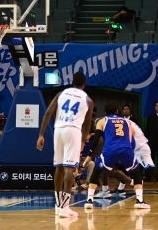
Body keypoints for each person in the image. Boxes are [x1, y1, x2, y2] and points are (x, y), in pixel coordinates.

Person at [37, 72, 94, 218]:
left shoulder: (61, 93)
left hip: (58, 130)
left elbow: (48, 113)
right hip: (73, 130)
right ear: (84, 84)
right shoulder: (88, 99)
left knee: (59, 167)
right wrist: (82, 140)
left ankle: (58, 205)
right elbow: (87, 123)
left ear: (72, 82)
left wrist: (41, 135)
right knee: (70, 168)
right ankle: (65, 207)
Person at [84, 102, 149, 209]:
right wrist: (131, 151)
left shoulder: (102, 121)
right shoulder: (127, 122)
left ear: (105, 112)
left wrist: (90, 154)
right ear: (117, 111)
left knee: (97, 170)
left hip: (110, 150)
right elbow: (132, 138)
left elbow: (96, 139)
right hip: (126, 149)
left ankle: (90, 200)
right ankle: (140, 201)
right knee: (136, 172)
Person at [114, 114, 158, 196]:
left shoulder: (126, 124)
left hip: (141, 149)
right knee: (126, 167)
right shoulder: (122, 124)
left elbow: (129, 138)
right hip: (135, 149)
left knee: (151, 172)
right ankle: (120, 188)